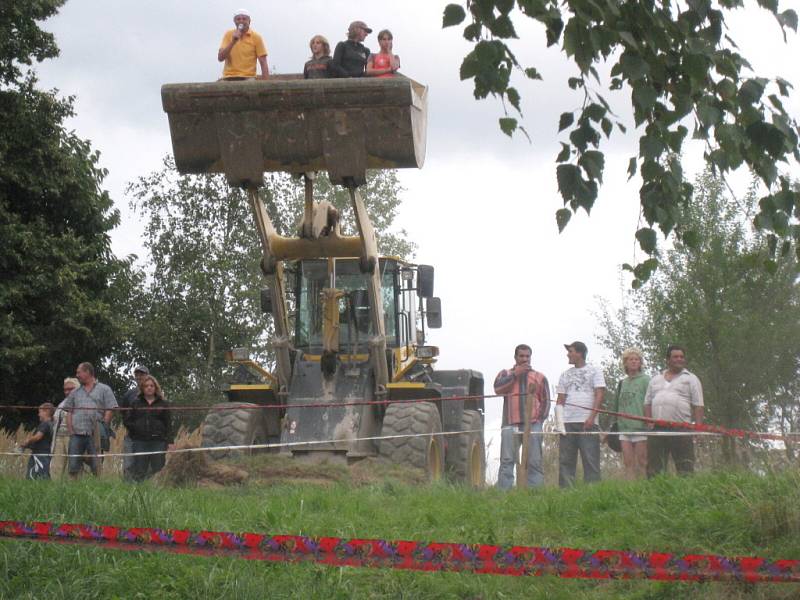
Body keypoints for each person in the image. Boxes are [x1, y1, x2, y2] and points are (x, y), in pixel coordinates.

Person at [494, 344, 551, 490]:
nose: (525, 359)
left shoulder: (539, 377)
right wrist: (515, 374)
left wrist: (539, 420)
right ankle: (503, 494)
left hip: (533, 424)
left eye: (527, 356)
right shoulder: (505, 374)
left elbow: (545, 401)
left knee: (534, 460)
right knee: (507, 460)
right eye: (521, 356)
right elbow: (498, 389)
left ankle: (535, 493)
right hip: (510, 423)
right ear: (515, 357)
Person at [644, 345, 704, 477]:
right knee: (654, 469)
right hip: (658, 429)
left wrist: (698, 429)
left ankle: (686, 495)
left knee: (685, 468)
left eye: (682, 357)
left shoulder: (691, 379)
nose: (679, 359)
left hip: (681, 429)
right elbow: (647, 403)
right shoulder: (655, 379)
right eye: (675, 357)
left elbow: (698, 405)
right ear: (667, 360)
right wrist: (649, 423)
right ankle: (655, 495)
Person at [555, 341, 606, 487]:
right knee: (566, 461)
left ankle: (593, 492)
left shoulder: (595, 371)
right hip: (567, 423)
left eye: (570, 351)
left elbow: (599, 394)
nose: (568, 354)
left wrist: (592, 417)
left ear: (580, 353)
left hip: (588, 422)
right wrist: (559, 423)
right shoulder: (564, 374)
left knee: (590, 459)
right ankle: (565, 493)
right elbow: (560, 399)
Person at [62, 362, 118, 478]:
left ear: (87, 372)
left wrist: (103, 426)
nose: (77, 375)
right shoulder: (74, 392)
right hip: (77, 434)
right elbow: (69, 413)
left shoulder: (104, 389)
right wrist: (71, 431)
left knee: (96, 465)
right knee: (73, 465)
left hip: (95, 433)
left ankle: (97, 487)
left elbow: (110, 408)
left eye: (79, 372)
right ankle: (73, 488)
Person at [124, 375, 173, 481]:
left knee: (158, 468)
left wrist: (170, 441)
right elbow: (127, 421)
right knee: (140, 469)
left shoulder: (163, 404)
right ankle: (139, 491)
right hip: (140, 441)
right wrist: (136, 429)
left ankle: (156, 491)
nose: (149, 388)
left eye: (152, 385)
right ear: (142, 388)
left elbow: (168, 423)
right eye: (146, 386)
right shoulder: (135, 403)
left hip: (158, 442)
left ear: (156, 388)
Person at [613, 348, 650, 479]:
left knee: (642, 461)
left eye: (637, 359)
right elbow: (616, 406)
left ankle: (645, 489)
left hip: (640, 427)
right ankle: (631, 490)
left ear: (640, 363)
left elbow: (650, 401)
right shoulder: (622, 383)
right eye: (631, 359)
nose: (634, 362)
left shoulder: (646, 380)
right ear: (625, 363)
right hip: (624, 428)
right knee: (628, 462)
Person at [217, 9, 269, 80]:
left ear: (249, 21)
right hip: (229, 77)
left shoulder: (256, 37)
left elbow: (263, 62)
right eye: (238, 19)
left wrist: (265, 85)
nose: (241, 21)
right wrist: (233, 42)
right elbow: (220, 58)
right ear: (234, 21)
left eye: (244, 19)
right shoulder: (228, 34)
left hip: (248, 77)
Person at [120, 365, 150, 480]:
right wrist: (130, 424)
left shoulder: (155, 393)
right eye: (137, 374)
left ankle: (144, 488)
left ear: (148, 376)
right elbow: (123, 412)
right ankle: (127, 489)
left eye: (141, 374)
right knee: (128, 463)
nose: (139, 377)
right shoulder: (129, 394)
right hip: (131, 435)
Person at [50, 377, 79, 479]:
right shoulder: (62, 404)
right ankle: (54, 491)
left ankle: (75, 491)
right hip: (58, 437)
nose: (67, 392)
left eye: (70, 389)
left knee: (74, 467)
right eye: (65, 389)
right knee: (56, 467)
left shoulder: (83, 402)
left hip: (75, 437)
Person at [19, 403, 55, 479]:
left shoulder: (45, 424)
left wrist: (27, 440)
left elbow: (38, 437)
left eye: (40, 412)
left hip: (40, 455)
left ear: (47, 411)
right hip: (44, 453)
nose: (38, 414)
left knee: (36, 476)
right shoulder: (52, 424)